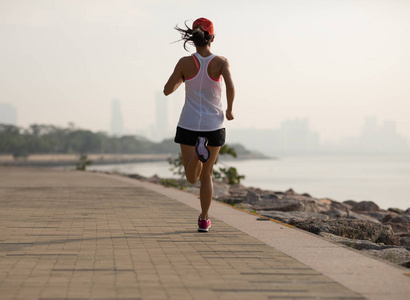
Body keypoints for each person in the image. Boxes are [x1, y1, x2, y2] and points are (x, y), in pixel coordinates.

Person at [163, 17, 235, 232]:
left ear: (193, 38)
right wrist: (230, 109)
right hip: (214, 125)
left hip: (189, 124)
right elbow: (230, 86)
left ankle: (197, 153)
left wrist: (183, 78)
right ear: (212, 38)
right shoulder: (221, 62)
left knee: (191, 176)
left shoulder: (185, 62)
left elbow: (167, 90)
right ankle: (204, 219)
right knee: (207, 175)